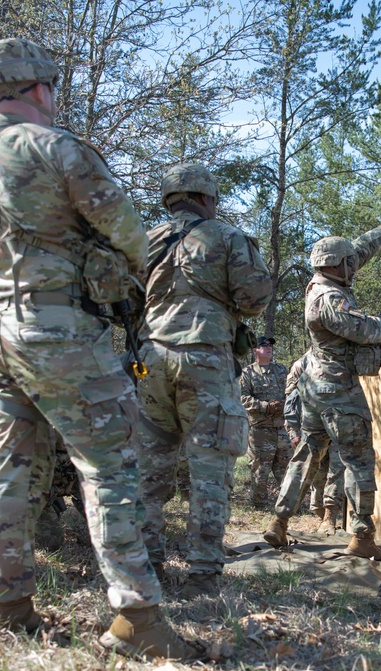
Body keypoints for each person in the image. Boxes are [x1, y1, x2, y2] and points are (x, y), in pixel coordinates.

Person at [0, 38, 198, 659]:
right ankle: (138, 620)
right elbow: (127, 231)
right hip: (57, 327)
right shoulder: (54, 146)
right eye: (54, 86)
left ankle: (10, 606)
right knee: (111, 465)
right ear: (38, 87)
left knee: (11, 463)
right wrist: (122, 274)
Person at [137, 162, 272, 598]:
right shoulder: (226, 236)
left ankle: (147, 567)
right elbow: (253, 299)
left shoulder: (143, 241)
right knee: (210, 470)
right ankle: (202, 574)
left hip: (150, 360)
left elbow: (118, 299)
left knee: (148, 471)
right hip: (205, 359)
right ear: (207, 197)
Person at [264, 217, 381, 561]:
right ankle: (363, 536)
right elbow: (365, 330)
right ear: (337, 266)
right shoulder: (329, 300)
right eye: (348, 262)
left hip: (314, 391)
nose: (354, 264)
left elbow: (357, 250)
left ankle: (279, 522)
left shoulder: (323, 278)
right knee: (360, 462)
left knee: (305, 457)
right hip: (338, 392)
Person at [283, 350, 345, 534]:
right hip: (312, 425)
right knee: (316, 471)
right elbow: (291, 400)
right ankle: (318, 511)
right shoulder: (303, 363)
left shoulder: (342, 357)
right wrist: (293, 431)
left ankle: (330, 517)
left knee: (337, 469)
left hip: (340, 424)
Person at [239, 335, 291, 509]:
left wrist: (285, 403)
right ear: (255, 351)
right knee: (260, 469)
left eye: (270, 345)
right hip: (260, 429)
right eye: (264, 345)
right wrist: (265, 406)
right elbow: (242, 398)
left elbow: (291, 391)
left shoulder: (281, 370)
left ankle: (286, 505)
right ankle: (259, 505)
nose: (269, 347)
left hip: (281, 427)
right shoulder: (248, 373)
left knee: (285, 468)